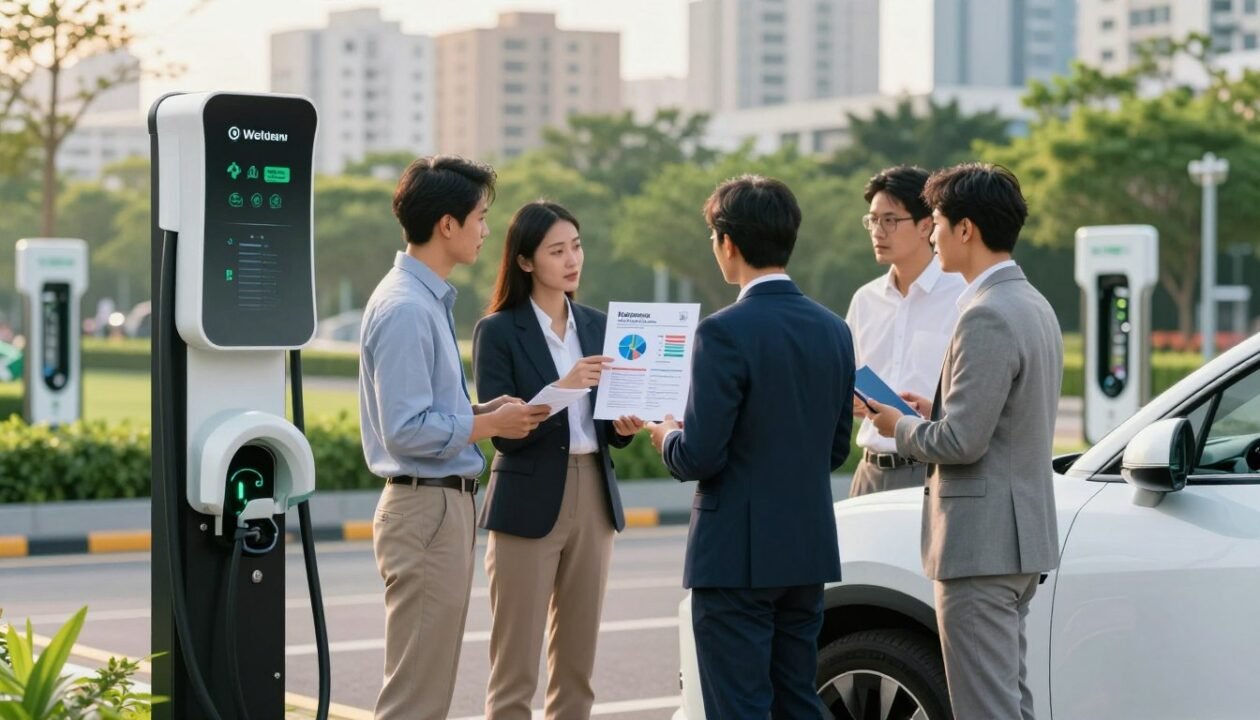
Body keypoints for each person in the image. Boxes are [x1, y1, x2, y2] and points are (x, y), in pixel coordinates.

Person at [646, 175, 855, 719]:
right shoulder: (834, 329)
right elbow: (835, 450)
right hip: (806, 550)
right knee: (797, 701)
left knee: (737, 708)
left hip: (734, 556)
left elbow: (700, 456)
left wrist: (666, 437)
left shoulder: (723, 332)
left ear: (727, 242)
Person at [358, 156, 551, 720]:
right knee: (415, 696)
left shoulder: (424, 299)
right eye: (481, 217)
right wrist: (488, 426)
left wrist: (481, 411)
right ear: (448, 225)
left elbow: (425, 411)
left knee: (427, 686)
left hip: (438, 507)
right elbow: (405, 429)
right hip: (425, 508)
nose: (486, 230)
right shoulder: (406, 309)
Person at [869, 162, 1063, 720]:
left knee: (984, 709)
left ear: (966, 230)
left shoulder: (986, 314)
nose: (930, 234)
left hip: (980, 545)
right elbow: (1000, 419)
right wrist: (934, 412)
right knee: (1008, 701)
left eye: (936, 222)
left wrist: (898, 426)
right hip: (1017, 540)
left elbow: (960, 442)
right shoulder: (1032, 303)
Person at [472, 201, 644, 719]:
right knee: (514, 669)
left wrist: (622, 425)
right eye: (556, 250)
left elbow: (607, 426)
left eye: (576, 246)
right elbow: (506, 436)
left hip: (593, 494)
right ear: (525, 261)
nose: (573, 260)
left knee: (577, 667)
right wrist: (564, 388)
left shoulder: (597, 324)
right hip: (527, 497)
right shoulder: (498, 330)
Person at [846, 165, 965, 497]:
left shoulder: (961, 298)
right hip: (868, 473)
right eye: (872, 220)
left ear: (926, 225)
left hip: (931, 475)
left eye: (890, 220)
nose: (878, 231)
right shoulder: (865, 300)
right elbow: (846, 379)